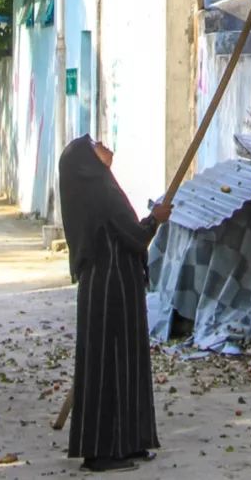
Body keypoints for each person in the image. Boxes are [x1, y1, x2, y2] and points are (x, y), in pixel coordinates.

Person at [58, 134, 172, 473]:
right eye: (95, 144)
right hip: (109, 285)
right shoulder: (97, 192)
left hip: (118, 282)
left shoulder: (100, 184)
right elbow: (134, 235)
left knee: (127, 362)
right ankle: (101, 452)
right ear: (86, 161)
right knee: (107, 366)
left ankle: (130, 441)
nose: (104, 144)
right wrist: (155, 219)